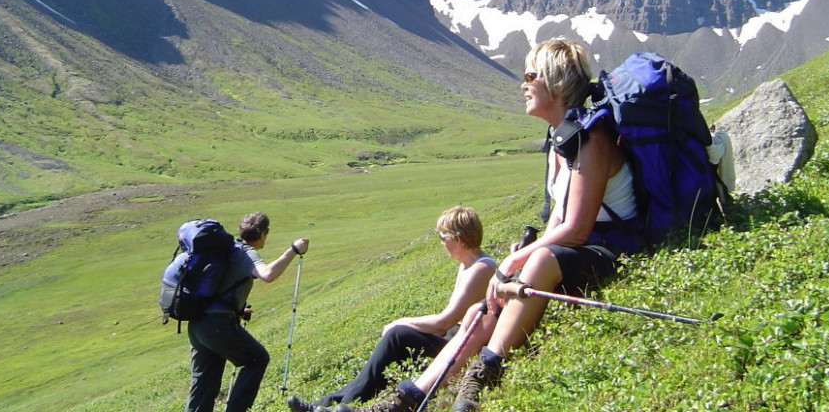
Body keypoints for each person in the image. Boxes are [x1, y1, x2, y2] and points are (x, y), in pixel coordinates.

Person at [327, 38, 642, 412]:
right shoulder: (562, 141)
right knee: (483, 306)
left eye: (531, 76)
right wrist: (518, 263)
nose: (523, 85)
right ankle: (410, 396)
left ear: (556, 84)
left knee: (533, 264)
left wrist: (515, 262)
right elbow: (556, 223)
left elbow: (575, 229)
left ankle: (483, 373)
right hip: (574, 253)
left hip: (616, 250)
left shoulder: (593, 140)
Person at [287, 207, 496, 412]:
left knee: (398, 335)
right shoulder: (469, 264)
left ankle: (338, 405)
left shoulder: (481, 268)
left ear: (458, 239)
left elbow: (445, 322)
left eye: (443, 237)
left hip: (459, 347)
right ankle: (327, 403)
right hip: (454, 338)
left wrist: (400, 322)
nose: (441, 243)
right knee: (396, 341)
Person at [185, 212, 310, 412]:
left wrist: (238, 310)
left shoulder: (226, 250)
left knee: (203, 386)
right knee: (256, 359)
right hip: (217, 326)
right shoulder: (245, 252)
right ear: (262, 233)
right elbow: (267, 275)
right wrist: (293, 250)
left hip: (197, 324)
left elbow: (218, 287)